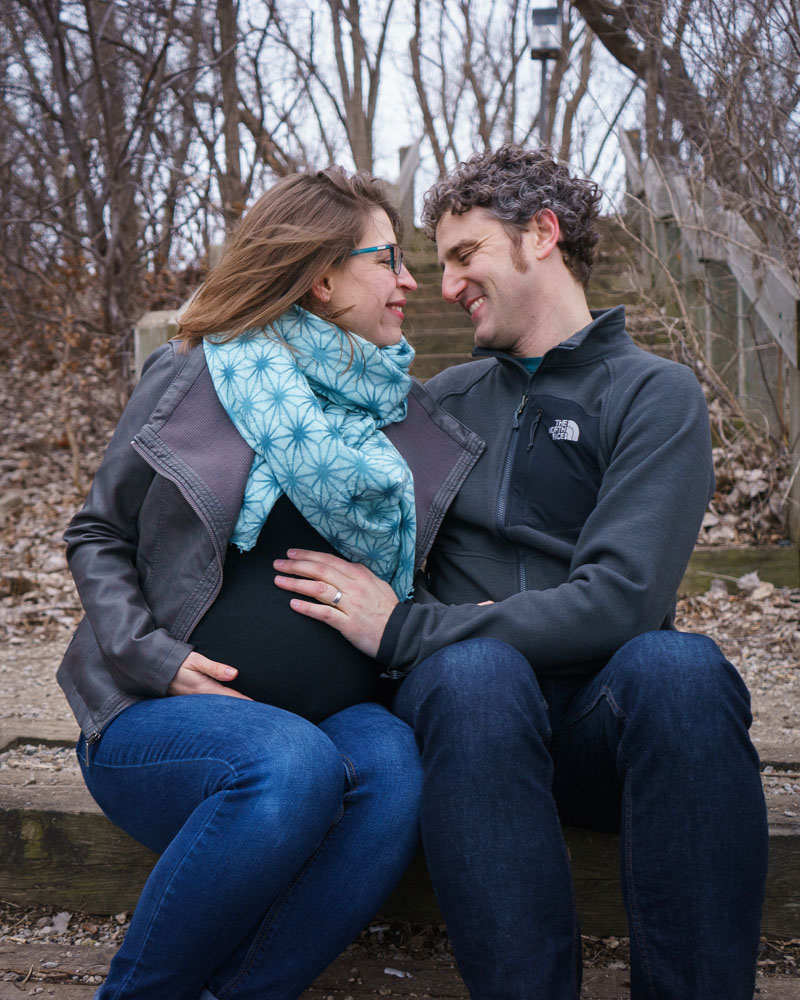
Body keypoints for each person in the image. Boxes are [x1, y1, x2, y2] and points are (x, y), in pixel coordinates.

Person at [273, 145, 769, 999]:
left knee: (681, 666)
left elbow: (620, 599)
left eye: (466, 256)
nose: (446, 285)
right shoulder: (437, 403)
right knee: (475, 673)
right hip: (471, 721)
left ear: (542, 234)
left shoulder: (654, 394)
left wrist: (406, 625)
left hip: (601, 724)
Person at [56, 166, 483, 1000]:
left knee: (393, 770)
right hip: (156, 717)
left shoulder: (408, 413)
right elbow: (96, 533)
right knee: (290, 762)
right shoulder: (193, 376)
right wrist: (152, 658)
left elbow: (418, 578)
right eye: (387, 260)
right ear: (321, 278)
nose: (409, 282)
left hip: (344, 714)